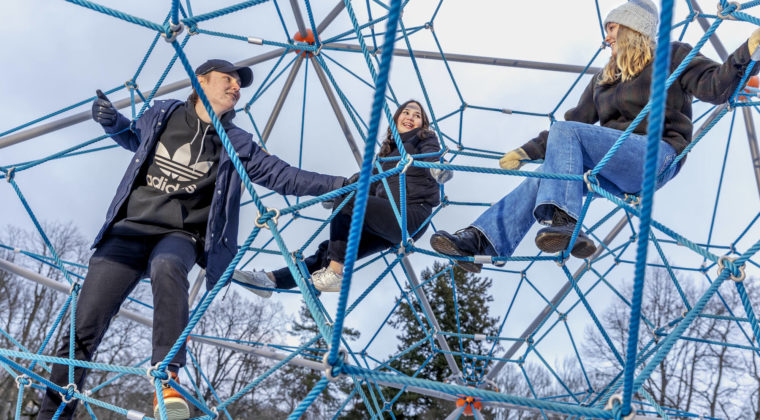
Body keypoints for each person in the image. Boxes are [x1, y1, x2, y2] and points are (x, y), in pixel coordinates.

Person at [38, 59, 350, 420]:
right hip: (129, 228)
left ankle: (166, 378)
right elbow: (135, 139)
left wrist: (340, 185)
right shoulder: (163, 113)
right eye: (228, 79)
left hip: (180, 234)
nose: (236, 87)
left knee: (168, 265)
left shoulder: (236, 141)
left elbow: (283, 176)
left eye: (239, 83)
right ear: (200, 82)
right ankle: (51, 414)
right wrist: (112, 122)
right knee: (83, 329)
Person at [430, 0, 760, 273]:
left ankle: (565, 222)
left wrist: (747, 52)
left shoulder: (671, 56)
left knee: (563, 145)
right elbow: (573, 125)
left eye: (612, 28)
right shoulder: (604, 78)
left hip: (655, 155)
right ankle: (482, 242)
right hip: (612, 163)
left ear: (633, 28)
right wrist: (526, 151)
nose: (606, 37)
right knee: (545, 175)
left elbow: (716, 86)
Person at [233, 100, 447, 293]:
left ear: (422, 124)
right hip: (387, 223)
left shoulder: (424, 138)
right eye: (406, 112)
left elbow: (432, 153)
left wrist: (438, 168)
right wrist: (334, 193)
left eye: (417, 115)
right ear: (396, 118)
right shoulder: (383, 158)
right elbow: (363, 184)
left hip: (411, 214)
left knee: (348, 202)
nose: (410, 117)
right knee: (332, 248)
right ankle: (271, 281)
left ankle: (335, 273)